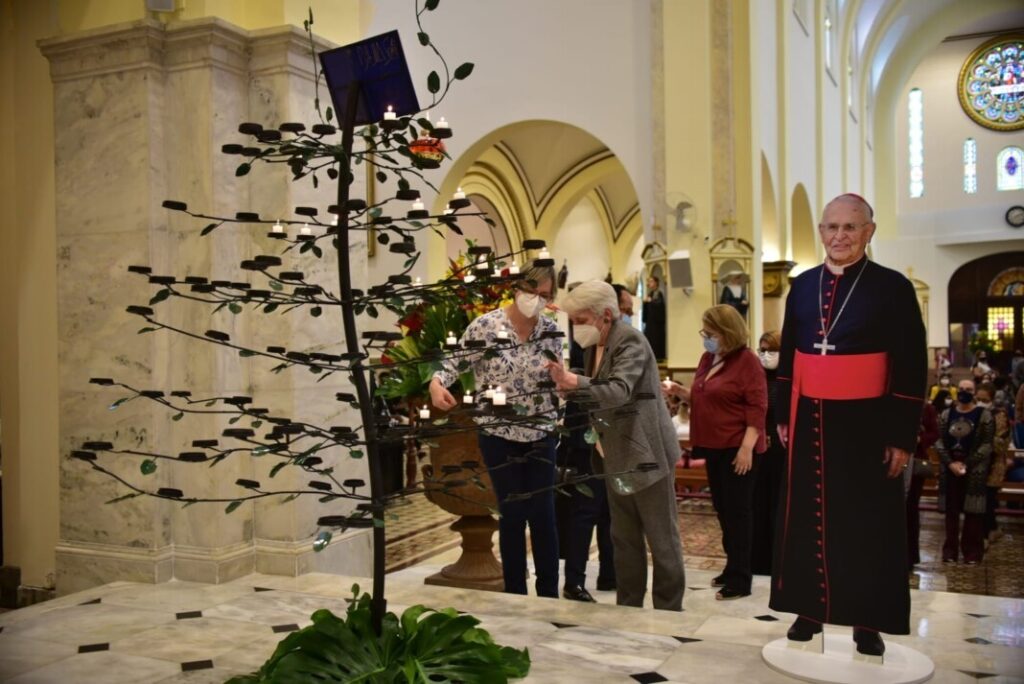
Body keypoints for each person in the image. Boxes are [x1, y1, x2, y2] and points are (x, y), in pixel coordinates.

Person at [770, 193, 927, 657]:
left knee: (865, 524)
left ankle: (867, 620)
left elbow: (912, 365)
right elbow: (788, 355)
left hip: (867, 425)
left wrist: (901, 436)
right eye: (831, 227)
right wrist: (782, 413)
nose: (839, 236)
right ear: (821, 232)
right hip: (810, 420)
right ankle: (808, 609)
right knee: (807, 517)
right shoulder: (801, 286)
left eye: (849, 228)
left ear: (868, 232)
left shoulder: (892, 287)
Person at [547, 280, 686, 611]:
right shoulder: (594, 345)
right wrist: (571, 386)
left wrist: (574, 382)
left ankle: (669, 610)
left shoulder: (631, 342)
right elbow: (595, 385)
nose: (577, 328)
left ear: (605, 315)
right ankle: (629, 606)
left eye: (581, 320)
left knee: (661, 539)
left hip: (645, 452)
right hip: (613, 455)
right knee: (623, 539)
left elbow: (617, 390)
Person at [428, 261, 562, 598]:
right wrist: (436, 385)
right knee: (513, 513)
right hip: (497, 432)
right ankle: (515, 592)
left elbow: (559, 378)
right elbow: (453, 364)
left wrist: (563, 397)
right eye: (533, 292)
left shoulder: (549, 329)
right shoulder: (486, 326)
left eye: (545, 296)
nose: (538, 300)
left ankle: (549, 593)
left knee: (544, 514)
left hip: (541, 430)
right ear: (518, 289)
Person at [663, 306, 766, 600]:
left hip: (739, 447)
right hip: (714, 445)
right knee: (723, 510)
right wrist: (679, 391)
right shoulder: (709, 358)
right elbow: (704, 395)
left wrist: (747, 448)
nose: (706, 338)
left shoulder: (747, 361)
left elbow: (757, 408)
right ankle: (731, 566)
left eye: (711, 333)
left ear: (727, 332)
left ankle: (741, 578)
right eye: (704, 333)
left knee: (738, 512)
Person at [558, 307, 616, 603]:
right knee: (585, 514)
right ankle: (574, 581)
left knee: (609, 513)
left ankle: (610, 574)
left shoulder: (617, 344)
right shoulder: (586, 344)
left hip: (611, 441)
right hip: (585, 442)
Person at [936, 378, 994, 564]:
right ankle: (950, 551)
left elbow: (987, 444)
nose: (964, 392)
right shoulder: (946, 414)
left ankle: (972, 553)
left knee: (973, 515)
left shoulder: (984, 415)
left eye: (968, 389)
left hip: (974, 470)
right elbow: (939, 441)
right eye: (961, 389)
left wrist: (967, 463)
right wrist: (951, 463)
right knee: (951, 514)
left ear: (974, 392)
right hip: (950, 469)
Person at [752, 330, 785, 576]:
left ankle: (779, 559)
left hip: (782, 450)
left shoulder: (788, 380)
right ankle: (758, 558)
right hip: (759, 447)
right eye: (761, 350)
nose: (765, 355)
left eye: (770, 350)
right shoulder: (757, 377)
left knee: (778, 504)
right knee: (757, 503)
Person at [906, 397, 940, 567]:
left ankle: (910, 556)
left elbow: (934, 432)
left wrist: (920, 439)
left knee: (911, 509)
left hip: (916, 461)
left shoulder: (926, 408)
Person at [978, 382, 1010, 543]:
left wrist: (984, 438)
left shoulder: (999, 415)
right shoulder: (973, 412)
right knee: (979, 501)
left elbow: (1001, 443)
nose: (981, 402)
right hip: (975, 464)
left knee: (989, 500)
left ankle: (989, 532)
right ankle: (990, 530)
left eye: (984, 399)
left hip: (993, 465)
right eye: (978, 399)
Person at [642, 275, 667, 361]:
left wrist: (650, 301)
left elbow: (660, 306)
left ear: (656, 283)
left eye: (651, 281)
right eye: (649, 281)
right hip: (650, 322)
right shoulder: (650, 293)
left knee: (656, 340)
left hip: (657, 324)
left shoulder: (659, 293)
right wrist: (645, 303)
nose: (649, 283)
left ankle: (658, 357)